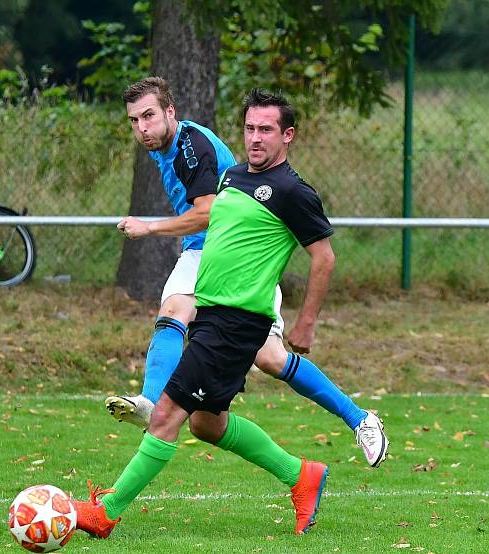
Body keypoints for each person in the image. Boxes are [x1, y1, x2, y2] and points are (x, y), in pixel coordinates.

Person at [75, 88, 339, 539]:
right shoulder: (235, 175)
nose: (254, 138)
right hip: (215, 313)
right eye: (250, 128)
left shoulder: (292, 190)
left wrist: (306, 321)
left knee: (166, 417)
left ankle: (107, 513)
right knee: (206, 423)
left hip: (235, 322)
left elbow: (324, 257)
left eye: (266, 129)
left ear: (287, 135)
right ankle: (301, 475)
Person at [106, 77, 388, 468]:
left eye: (149, 116)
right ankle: (330, 445)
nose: (142, 128)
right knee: (259, 366)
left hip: (231, 260)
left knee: (192, 322)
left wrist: (150, 227)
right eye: (135, 121)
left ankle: (359, 419)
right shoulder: (169, 147)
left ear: (171, 112)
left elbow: (206, 212)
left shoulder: (192, 146)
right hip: (211, 257)